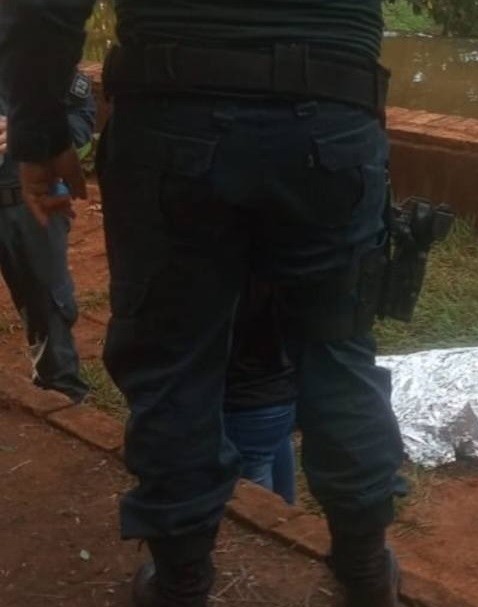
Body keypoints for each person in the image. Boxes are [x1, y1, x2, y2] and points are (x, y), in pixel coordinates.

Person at [0, 2, 405, 607]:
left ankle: (182, 582)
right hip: (334, 123)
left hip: (172, 127)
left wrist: (38, 135)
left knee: (173, 360)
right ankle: (366, 567)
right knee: (338, 352)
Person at [0, 69, 93, 404]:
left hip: (30, 202)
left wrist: (33, 135)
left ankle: (60, 394)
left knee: (48, 300)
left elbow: (80, 118)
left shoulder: (37, 50)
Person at [224, 280, 298, 506]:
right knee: (277, 446)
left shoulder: (232, 284)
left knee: (257, 506)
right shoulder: (280, 271)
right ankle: (289, 517)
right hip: (282, 392)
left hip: (247, 399)